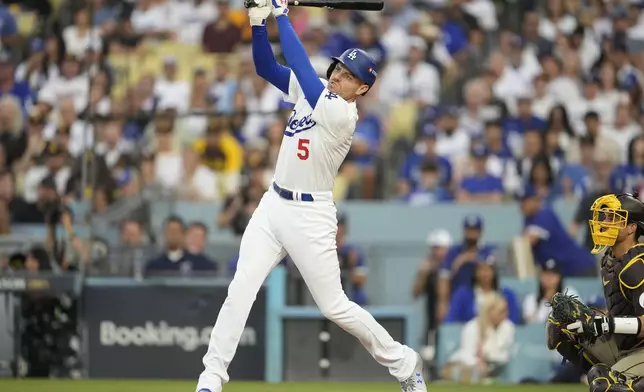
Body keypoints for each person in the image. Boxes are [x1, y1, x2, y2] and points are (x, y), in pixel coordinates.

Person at [196, 1, 425, 391]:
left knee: (334, 307)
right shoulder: (315, 88)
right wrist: (257, 21)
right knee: (242, 287)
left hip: (311, 215)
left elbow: (302, 67)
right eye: (338, 67)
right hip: (273, 205)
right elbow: (266, 68)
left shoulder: (342, 114)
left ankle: (404, 362)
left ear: (362, 88)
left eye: (349, 75)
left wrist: (281, 14)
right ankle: (211, 378)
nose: (338, 75)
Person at [546, 192, 644, 391]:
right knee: (562, 326)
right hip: (626, 346)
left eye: (614, 218)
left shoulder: (637, 265)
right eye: (606, 217)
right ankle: (618, 374)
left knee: (606, 385)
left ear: (631, 227)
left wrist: (606, 324)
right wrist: (593, 320)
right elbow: (622, 311)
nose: (605, 222)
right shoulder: (610, 260)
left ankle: (625, 381)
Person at [517, 184, 597, 276]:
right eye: (520, 201)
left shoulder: (544, 214)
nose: (521, 205)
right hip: (565, 270)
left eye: (525, 201)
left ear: (536, 200)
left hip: (580, 267)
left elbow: (526, 243)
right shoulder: (529, 219)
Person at [440, 294, 515, 384]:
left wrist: (486, 358)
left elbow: (505, 354)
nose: (505, 315)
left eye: (506, 310)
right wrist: (478, 363)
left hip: (497, 369)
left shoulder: (508, 327)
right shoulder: (472, 327)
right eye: (501, 311)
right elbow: (466, 354)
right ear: (490, 311)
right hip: (471, 367)